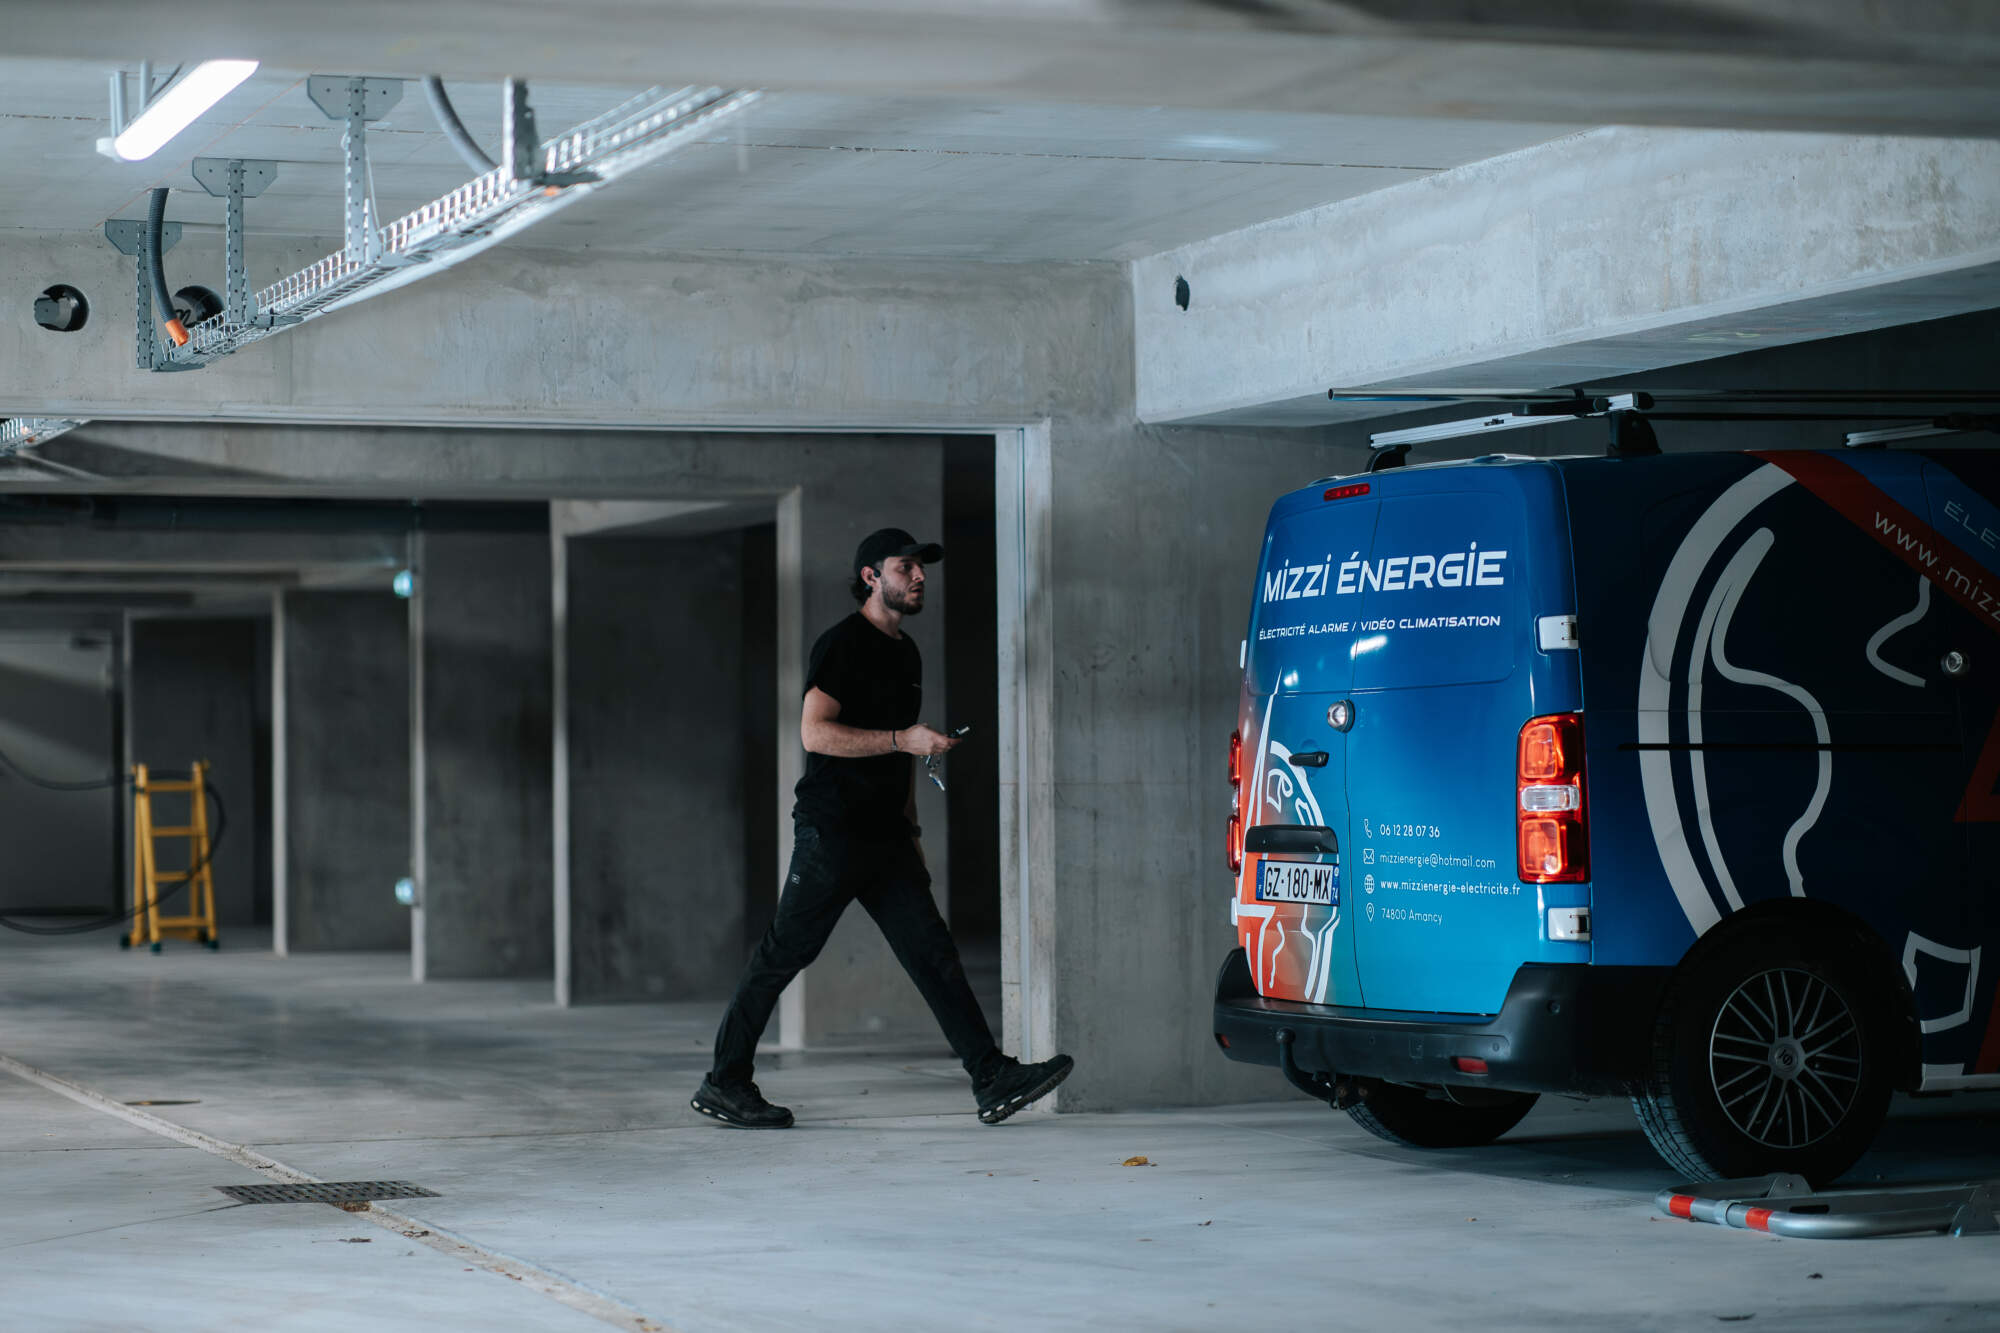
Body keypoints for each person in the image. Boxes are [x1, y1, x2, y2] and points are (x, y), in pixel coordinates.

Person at [693, 527, 1073, 1129]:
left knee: (933, 955)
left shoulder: (906, 652)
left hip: (887, 838)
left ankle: (991, 1077)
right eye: (905, 566)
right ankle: (725, 1082)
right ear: (871, 576)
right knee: (784, 953)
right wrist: (903, 738)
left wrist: (912, 833)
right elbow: (814, 734)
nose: (919, 575)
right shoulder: (843, 644)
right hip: (833, 831)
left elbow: (898, 760)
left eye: (922, 567)